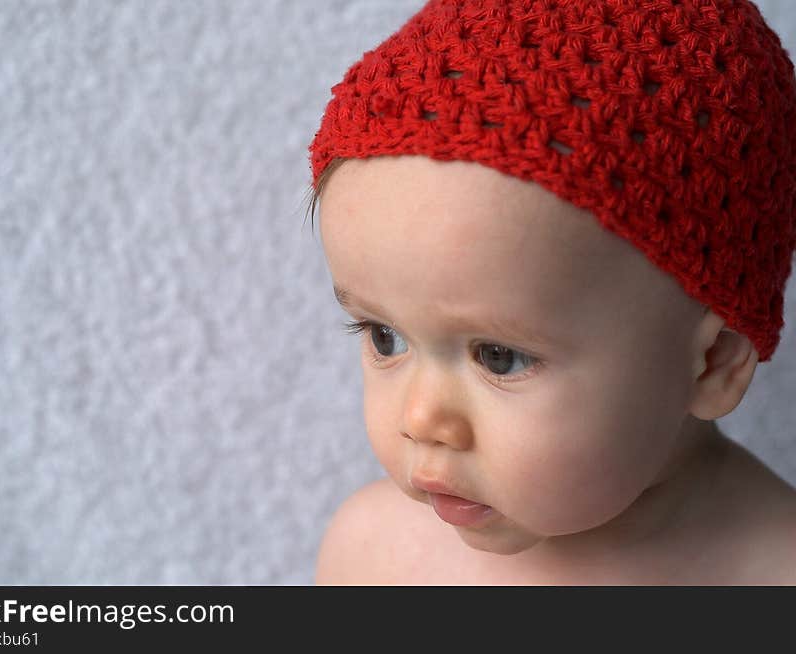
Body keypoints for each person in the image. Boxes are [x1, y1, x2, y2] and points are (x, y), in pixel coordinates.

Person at [306, 0, 796, 584]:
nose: (421, 419)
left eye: (498, 356)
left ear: (713, 364)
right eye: (384, 337)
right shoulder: (376, 559)